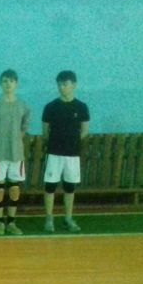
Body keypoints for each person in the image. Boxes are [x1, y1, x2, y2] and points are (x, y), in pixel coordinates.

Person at [0, 69, 30, 235]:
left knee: (14, 189)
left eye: (11, 81)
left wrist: (14, 140)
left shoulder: (23, 106)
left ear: (16, 83)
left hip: (16, 154)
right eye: (5, 81)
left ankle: (11, 222)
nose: (8, 84)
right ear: (0, 84)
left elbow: (24, 128)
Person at [42, 70, 89, 232]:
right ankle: (49, 219)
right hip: (54, 153)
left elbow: (84, 131)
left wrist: (72, 141)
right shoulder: (50, 107)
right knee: (50, 187)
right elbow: (45, 132)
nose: (61, 87)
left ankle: (68, 218)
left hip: (72, 155)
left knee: (70, 188)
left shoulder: (81, 107)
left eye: (65, 84)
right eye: (59, 84)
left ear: (73, 85)